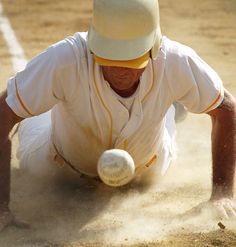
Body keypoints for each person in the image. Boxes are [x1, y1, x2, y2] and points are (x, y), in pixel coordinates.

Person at [0, 0, 236, 231]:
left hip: (149, 165)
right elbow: (4, 111)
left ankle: (171, 108)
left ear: (154, 47)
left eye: (131, 61)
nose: (120, 70)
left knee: (166, 117)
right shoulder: (66, 57)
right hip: (59, 164)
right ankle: (38, 97)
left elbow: (226, 108)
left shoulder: (174, 60)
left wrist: (223, 193)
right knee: (27, 112)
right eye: (110, 59)